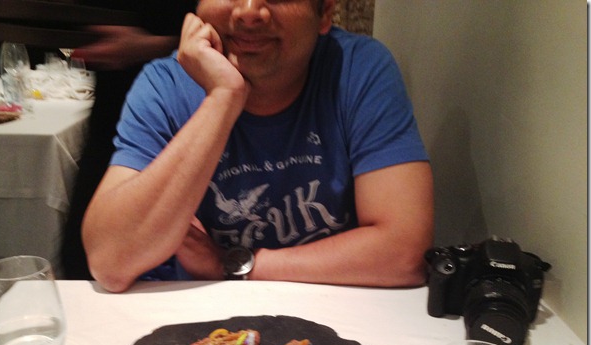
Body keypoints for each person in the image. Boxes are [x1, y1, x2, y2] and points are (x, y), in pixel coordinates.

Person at [82, 0, 434, 293]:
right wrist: (223, 96)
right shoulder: (165, 84)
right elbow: (110, 262)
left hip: (331, 310)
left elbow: (404, 252)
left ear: (325, 12)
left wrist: (232, 265)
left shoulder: (359, 69)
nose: (249, 11)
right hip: (203, 317)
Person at [61, 1, 194, 279]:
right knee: (87, 256)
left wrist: (152, 46)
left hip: (185, 99)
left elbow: (220, 29)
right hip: (113, 113)